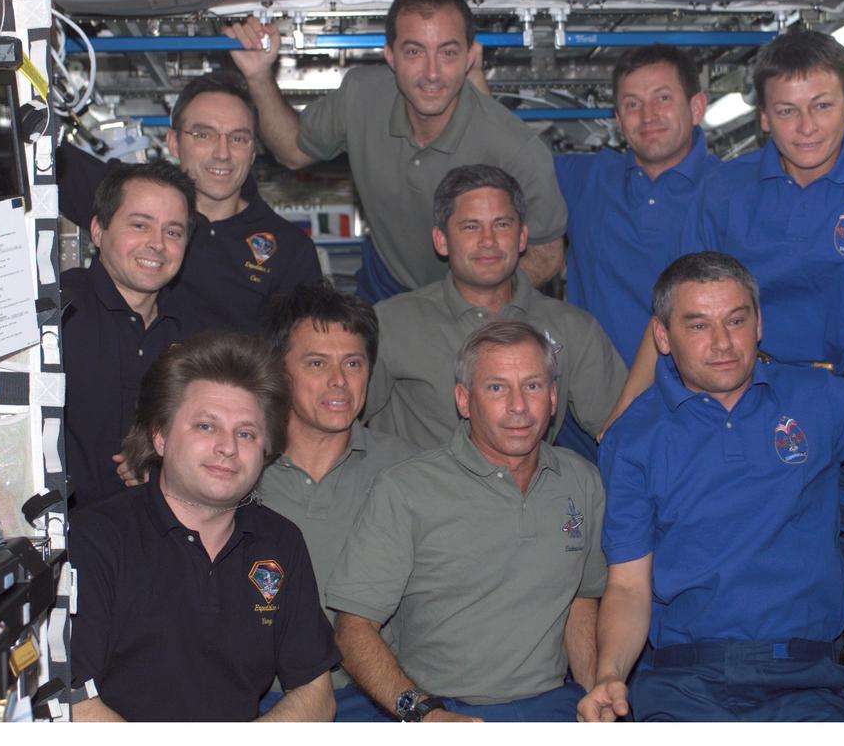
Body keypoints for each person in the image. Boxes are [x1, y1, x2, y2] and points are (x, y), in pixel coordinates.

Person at [608, 28, 844, 558]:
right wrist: (626, 414)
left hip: (843, 405)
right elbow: (673, 316)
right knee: (718, 554)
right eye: (786, 111)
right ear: (763, 117)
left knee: (819, 558)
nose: (806, 128)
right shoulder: (724, 193)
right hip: (736, 401)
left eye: (821, 106)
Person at [579, 252, 844, 722]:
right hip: (685, 681)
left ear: (759, 324)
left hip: (804, 678)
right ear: (663, 337)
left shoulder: (822, 399)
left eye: (736, 320)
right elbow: (627, 588)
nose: (723, 342)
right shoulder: (633, 437)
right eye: (698, 326)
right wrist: (609, 674)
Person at [327, 320, 607, 721]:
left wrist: (593, 692)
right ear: (463, 399)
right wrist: (423, 713)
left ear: (553, 396)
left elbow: (583, 598)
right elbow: (352, 630)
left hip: (550, 704)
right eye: (496, 388)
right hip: (437, 705)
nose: (518, 406)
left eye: (532, 386)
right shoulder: (406, 489)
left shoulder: (581, 481)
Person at [224, 0, 568, 300]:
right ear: (390, 55)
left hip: (474, 293)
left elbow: (548, 256)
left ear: (469, 58)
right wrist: (257, 77)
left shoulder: (514, 148)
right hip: (386, 277)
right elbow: (291, 150)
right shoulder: (361, 95)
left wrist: (474, 301)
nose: (432, 73)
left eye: (447, 53)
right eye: (415, 52)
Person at [70, 331, 339, 722]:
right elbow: (74, 702)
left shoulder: (280, 542)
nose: (228, 447)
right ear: (160, 437)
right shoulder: (96, 538)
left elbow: (316, 692)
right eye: (206, 427)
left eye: (246, 433)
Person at [365, 165, 626, 450]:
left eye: (501, 224)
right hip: (414, 492)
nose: (488, 241)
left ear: (523, 237)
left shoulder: (571, 329)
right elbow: (334, 426)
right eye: (471, 227)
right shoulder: (392, 324)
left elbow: (629, 433)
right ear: (441, 240)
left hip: (528, 492)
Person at [254, 282, 418, 721]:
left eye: (353, 363)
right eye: (316, 363)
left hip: (378, 698)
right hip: (259, 699)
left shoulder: (410, 471)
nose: (339, 382)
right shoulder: (236, 468)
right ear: (277, 371)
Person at [57, 71, 321, 335]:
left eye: (238, 139)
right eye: (204, 135)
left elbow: (306, 353)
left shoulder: (290, 251)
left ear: (253, 152)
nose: (222, 153)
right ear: (173, 142)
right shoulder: (127, 200)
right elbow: (36, 156)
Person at [554, 46, 718, 367]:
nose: (648, 115)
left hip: (697, 406)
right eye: (632, 104)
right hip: (595, 408)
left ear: (696, 107)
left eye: (663, 98)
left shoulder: (736, 191)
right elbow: (501, 151)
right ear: (618, 120)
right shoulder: (585, 179)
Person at [62, 160, 194, 507]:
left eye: (173, 232)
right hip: (63, 542)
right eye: (140, 225)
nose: (157, 244)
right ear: (97, 231)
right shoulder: (56, 314)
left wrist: (170, 467)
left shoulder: (194, 337)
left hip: (160, 544)